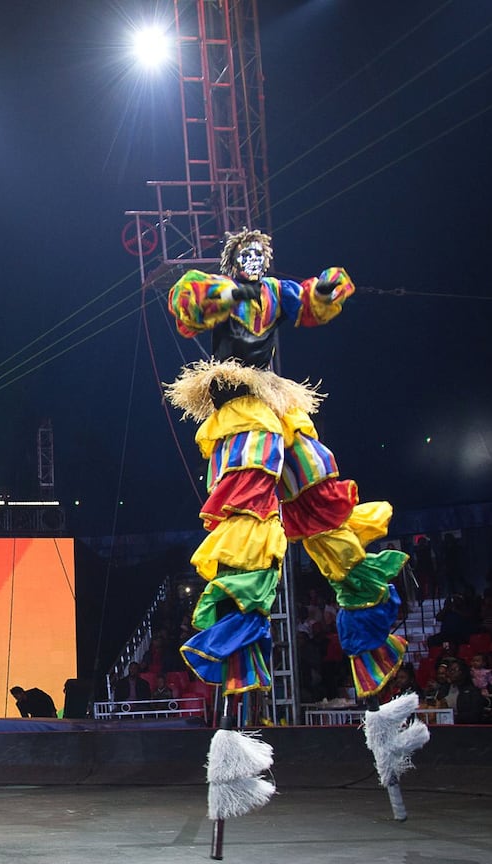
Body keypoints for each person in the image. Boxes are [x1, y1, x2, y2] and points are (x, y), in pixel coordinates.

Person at [163, 228, 407, 702]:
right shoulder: (221, 290)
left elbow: (309, 300)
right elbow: (186, 304)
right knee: (249, 507)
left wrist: (328, 288)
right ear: (233, 261)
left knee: (321, 500)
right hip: (239, 404)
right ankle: (238, 654)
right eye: (246, 255)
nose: (254, 261)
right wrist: (231, 290)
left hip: (276, 404)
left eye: (260, 255)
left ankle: (370, 643)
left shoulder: (274, 293)